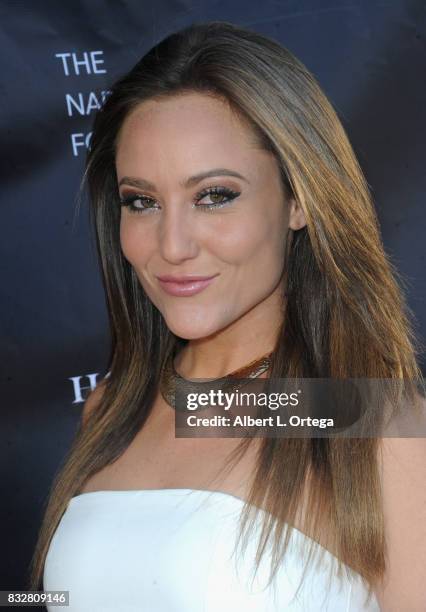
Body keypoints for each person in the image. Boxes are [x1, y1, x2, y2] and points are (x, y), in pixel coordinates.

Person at [30, 21, 426, 610]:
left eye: (214, 195)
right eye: (142, 201)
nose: (173, 245)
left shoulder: (370, 424)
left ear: (299, 199)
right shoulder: (112, 407)